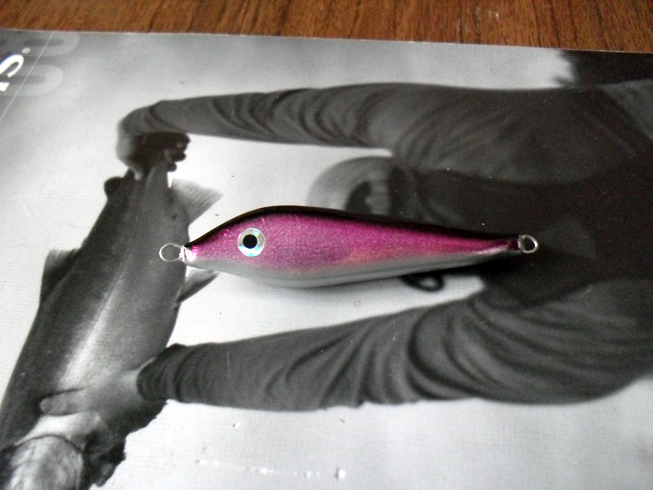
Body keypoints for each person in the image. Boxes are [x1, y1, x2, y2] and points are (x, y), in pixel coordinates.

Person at [40, 77, 653, 445]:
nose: (387, 212)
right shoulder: (556, 335)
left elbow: (347, 370)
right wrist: (151, 122)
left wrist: (147, 384)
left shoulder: (560, 340)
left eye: (377, 194)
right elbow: (347, 368)